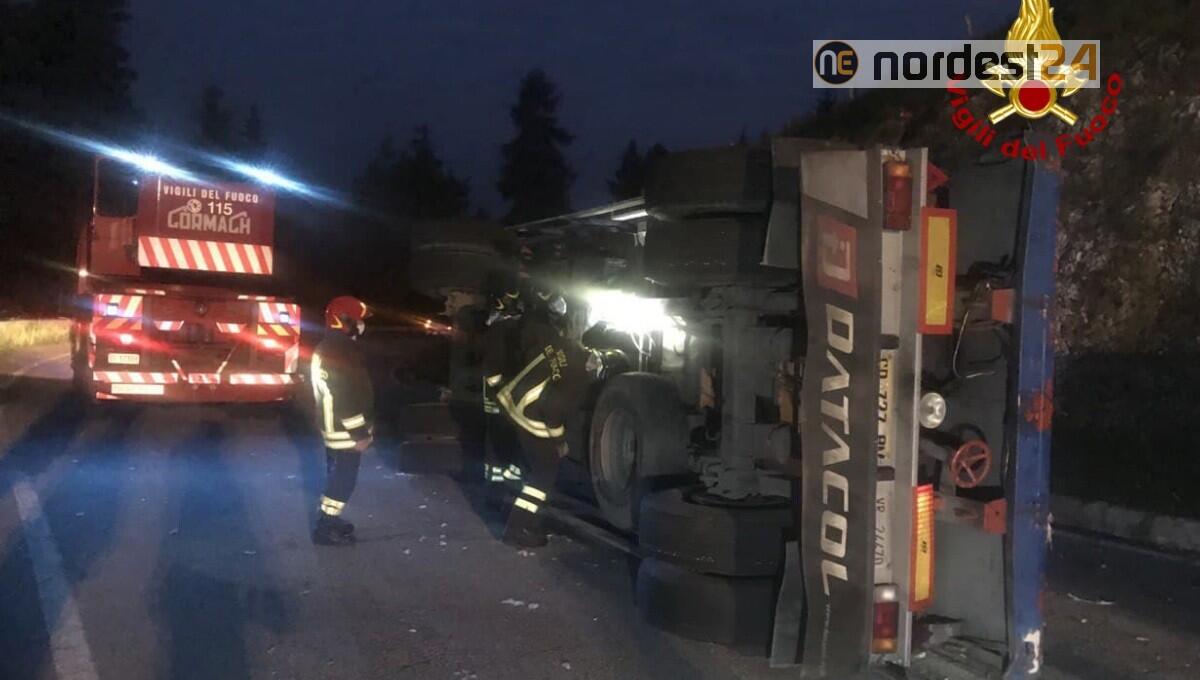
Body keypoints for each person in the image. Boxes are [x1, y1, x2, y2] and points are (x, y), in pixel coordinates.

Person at [490, 283, 590, 548]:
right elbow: (556, 410)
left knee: (532, 466)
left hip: (512, 403)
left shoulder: (557, 345)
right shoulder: (579, 371)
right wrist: (558, 441)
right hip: (531, 415)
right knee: (545, 473)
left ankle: (523, 517)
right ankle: (516, 530)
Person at [310, 295, 375, 546]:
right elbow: (346, 396)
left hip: (336, 427)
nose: (361, 325)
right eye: (357, 320)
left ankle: (330, 518)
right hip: (344, 430)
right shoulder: (339, 350)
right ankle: (325, 526)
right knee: (344, 479)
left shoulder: (331, 347)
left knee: (338, 475)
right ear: (344, 321)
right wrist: (359, 432)